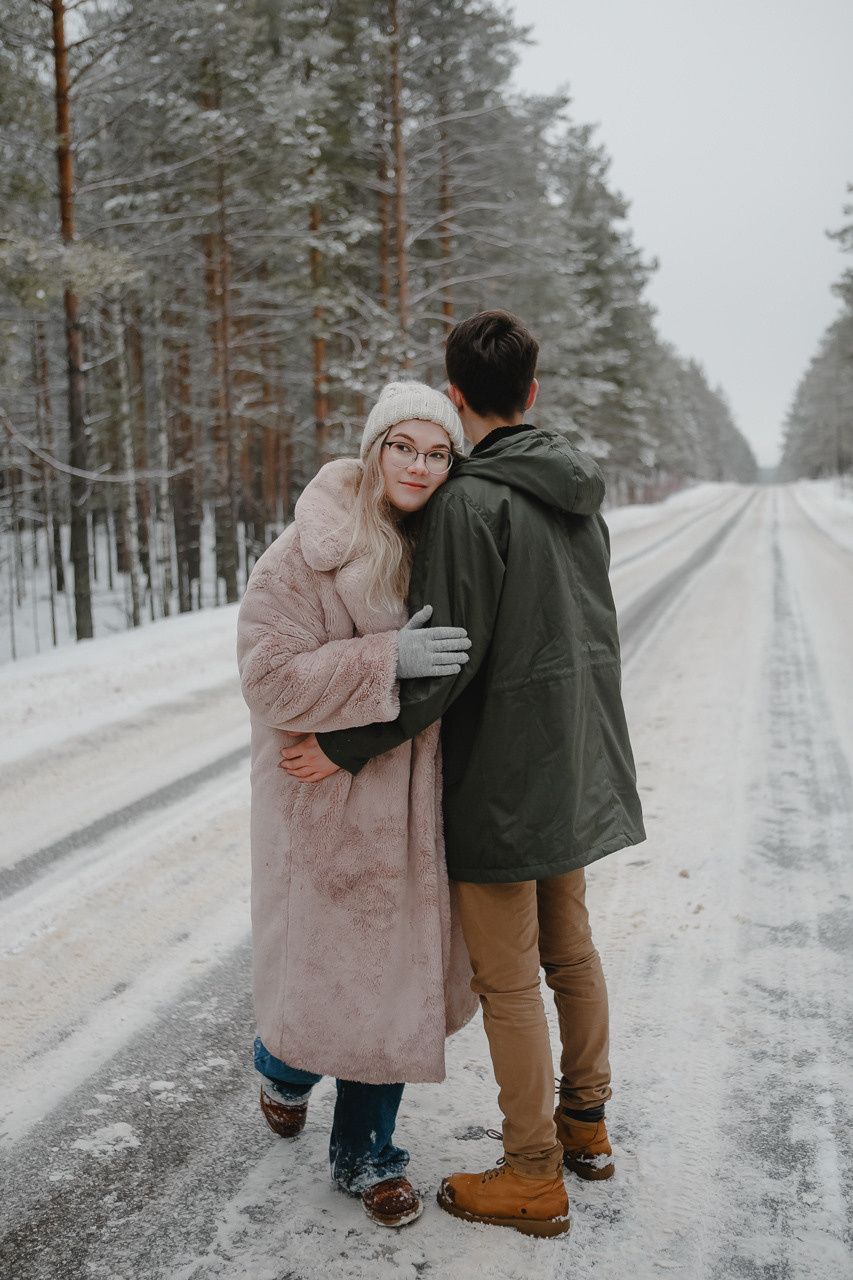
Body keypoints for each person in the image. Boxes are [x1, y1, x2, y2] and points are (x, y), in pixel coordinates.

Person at [282, 310, 646, 1238]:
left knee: (511, 980)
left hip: (499, 780)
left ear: (454, 396)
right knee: (570, 950)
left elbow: (443, 663)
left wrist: (342, 745)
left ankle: (531, 1172)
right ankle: (586, 1126)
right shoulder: (574, 491)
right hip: (573, 761)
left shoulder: (469, 503)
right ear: (531, 391)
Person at [237, 381, 479, 1228]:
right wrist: (385, 659)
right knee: (320, 990)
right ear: (374, 449)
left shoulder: (448, 539)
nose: (418, 465)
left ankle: (367, 1156)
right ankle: (280, 1066)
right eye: (402, 447)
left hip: (414, 809)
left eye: (436, 452)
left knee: (388, 989)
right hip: (325, 802)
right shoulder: (307, 551)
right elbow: (265, 680)